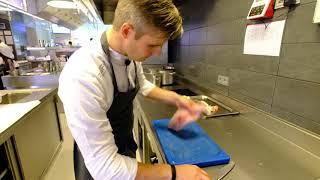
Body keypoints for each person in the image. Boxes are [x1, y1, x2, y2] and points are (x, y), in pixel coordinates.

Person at [58, 0, 215, 180]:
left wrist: (180, 100)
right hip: (100, 166)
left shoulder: (129, 54)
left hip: (125, 147)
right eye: (152, 45)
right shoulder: (84, 76)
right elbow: (104, 168)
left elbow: (142, 84)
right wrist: (175, 172)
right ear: (127, 31)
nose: (157, 53)